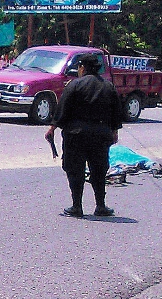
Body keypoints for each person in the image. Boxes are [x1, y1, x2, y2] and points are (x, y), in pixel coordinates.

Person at [44, 54, 124, 217]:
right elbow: (116, 112)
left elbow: (62, 110)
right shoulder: (108, 87)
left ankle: (77, 206)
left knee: (75, 170)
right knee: (99, 171)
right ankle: (101, 206)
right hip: (100, 135)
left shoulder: (74, 85)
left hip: (76, 135)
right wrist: (114, 131)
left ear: (82, 68)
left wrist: (52, 127)